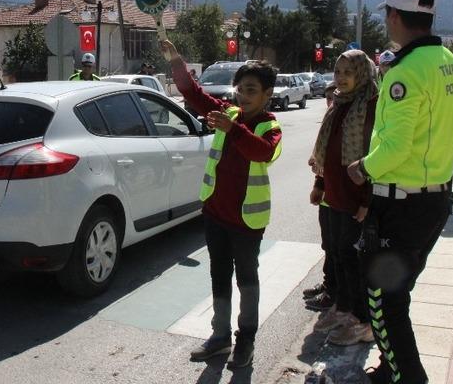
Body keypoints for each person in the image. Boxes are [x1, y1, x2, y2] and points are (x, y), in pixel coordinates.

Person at [346, 0, 453, 384]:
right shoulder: (449, 60)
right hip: (432, 199)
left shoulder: (406, 71)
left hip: (401, 204)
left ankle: (408, 378)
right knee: (398, 296)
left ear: (394, 16)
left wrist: (362, 168)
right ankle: (390, 368)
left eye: (386, 16)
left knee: (383, 303)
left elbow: (395, 147)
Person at [161, 39, 281, 369]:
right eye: (240, 89)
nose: (243, 96)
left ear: (267, 94)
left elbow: (262, 152)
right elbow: (194, 94)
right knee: (218, 276)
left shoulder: (269, 126)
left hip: (247, 222)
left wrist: (234, 128)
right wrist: (176, 60)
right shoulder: (228, 113)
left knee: (247, 280)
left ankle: (246, 341)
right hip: (215, 216)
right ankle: (219, 337)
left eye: (252, 90)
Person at [310, 50, 379, 347]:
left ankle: (363, 320)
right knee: (337, 252)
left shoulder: (372, 105)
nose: (340, 78)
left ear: (361, 74)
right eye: (337, 72)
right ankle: (343, 307)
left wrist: (367, 201)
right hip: (336, 193)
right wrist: (320, 183)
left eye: (347, 72)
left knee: (353, 259)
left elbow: (374, 157)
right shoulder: (339, 102)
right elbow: (328, 149)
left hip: (356, 197)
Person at [302, 84, 339, 311]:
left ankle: (333, 294)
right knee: (329, 245)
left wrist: (319, 184)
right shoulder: (332, 118)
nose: (330, 103)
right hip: (328, 197)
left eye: (333, 98)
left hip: (339, 197)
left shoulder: (346, 119)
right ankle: (329, 285)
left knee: (338, 248)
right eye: (327, 99)